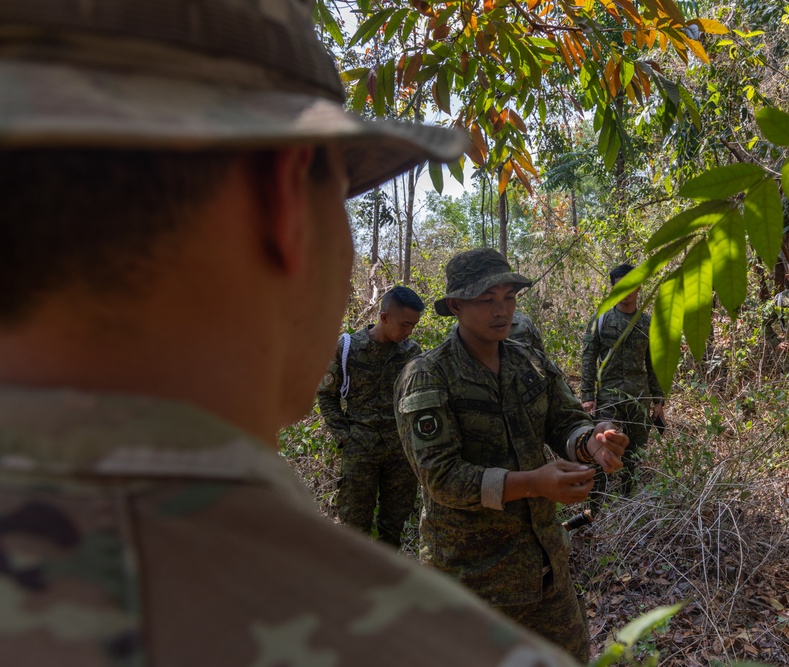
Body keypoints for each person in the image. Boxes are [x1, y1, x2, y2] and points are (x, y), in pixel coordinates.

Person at [0, 2, 582, 664]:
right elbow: (438, 468)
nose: (503, 309)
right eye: (340, 194)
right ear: (285, 203)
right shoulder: (433, 644)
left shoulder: (520, 355)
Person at [394, 248, 629, 663]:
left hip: (545, 569)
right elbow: (441, 477)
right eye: (487, 300)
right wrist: (534, 483)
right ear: (455, 305)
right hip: (471, 581)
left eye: (509, 297)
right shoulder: (428, 375)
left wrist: (591, 442)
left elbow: (565, 421)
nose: (501, 310)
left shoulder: (529, 362)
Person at [317, 286, 424, 548]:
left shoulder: (412, 352)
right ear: (384, 317)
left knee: (393, 524)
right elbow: (326, 395)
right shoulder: (348, 347)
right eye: (405, 324)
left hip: (400, 453)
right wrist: (345, 437)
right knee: (355, 524)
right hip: (360, 451)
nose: (409, 331)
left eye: (413, 326)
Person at [580, 263, 665, 501]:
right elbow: (588, 357)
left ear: (639, 288)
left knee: (634, 453)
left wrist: (658, 401)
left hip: (639, 397)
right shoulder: (601, 320)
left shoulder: (648, 323)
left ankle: (627, 500)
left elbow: (654, 363)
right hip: (609, 396)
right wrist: (587, 397)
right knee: (603, 448)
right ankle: (596, 503)